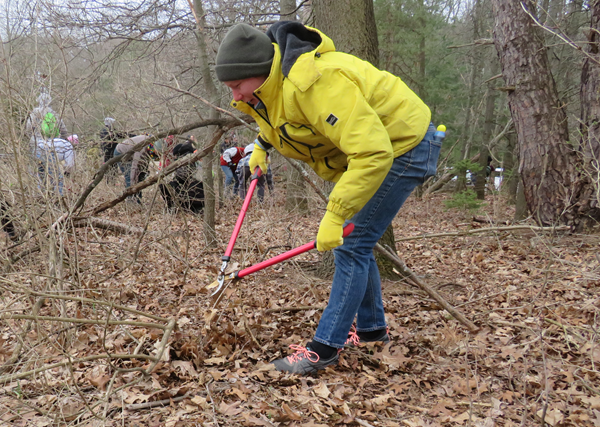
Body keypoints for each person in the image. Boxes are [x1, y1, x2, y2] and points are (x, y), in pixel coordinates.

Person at [215, 21, 442, 375]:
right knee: (359, 243)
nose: (235, 96)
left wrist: (336, 214)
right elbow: (279, 118)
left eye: (236, 85)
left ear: (257, 72)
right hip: (381, 148)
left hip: (404, 145)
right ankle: (371, 332)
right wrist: (261, 145)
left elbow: (372, 151)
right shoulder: (270, 88)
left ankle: (324, 349)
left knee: (351, 244)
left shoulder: (314, 82)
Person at [159, 141, 204, 213]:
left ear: (179, 153)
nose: (175, 157)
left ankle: (171, 208)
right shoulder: (196, 158)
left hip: (193, 195)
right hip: (203, 196)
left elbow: (181, 177)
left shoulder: (185, 160)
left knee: (164, 186)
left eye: (175, 155)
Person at [113, 135, 152, 203]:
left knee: (140, 177)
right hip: (121, 152)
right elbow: (134, 167)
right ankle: (131, 201)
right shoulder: (142, 148)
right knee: (129, 177)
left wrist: (144, 172)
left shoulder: (153, 142)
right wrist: (133, 184)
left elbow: (144, 161)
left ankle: (138, 199)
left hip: (132, 154)